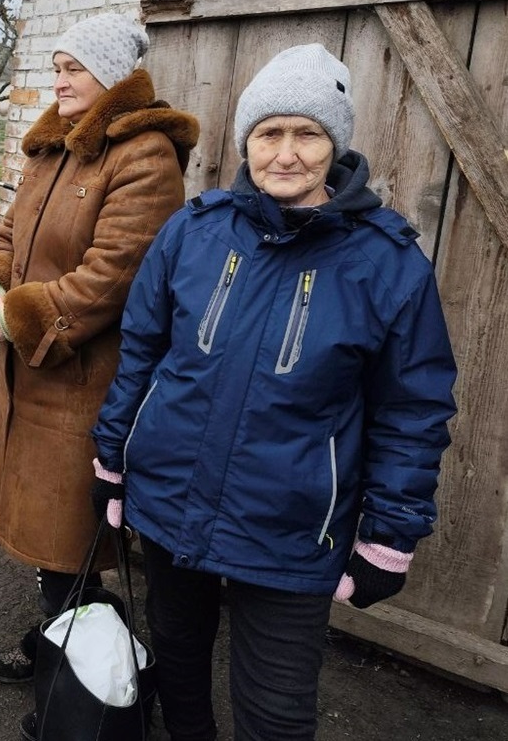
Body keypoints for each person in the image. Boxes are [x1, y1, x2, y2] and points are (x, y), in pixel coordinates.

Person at [91, 43, 459, 740]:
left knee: (276, 713)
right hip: (170, 499)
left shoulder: (386, 262)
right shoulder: (193, 232)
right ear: (245, 142)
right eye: (268, 133)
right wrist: (111, 463)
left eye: (307, 133)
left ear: (335, 145)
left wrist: (387, 538)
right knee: (177, 661)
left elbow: (412, 409)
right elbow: (140, 351)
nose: (285, 154)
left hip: (290, 527)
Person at [0, 13, 199, 691]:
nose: (58, 80)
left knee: (70, 536)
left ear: (112, 75)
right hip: (28, 375)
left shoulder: (143, 156)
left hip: (81, 382)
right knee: (51, 538)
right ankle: (66, 639)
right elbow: (7, 233)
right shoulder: (51, 149)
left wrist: (20, 314)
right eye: (55, 67)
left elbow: (112, 276)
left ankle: (87, 679)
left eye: (74, 69)